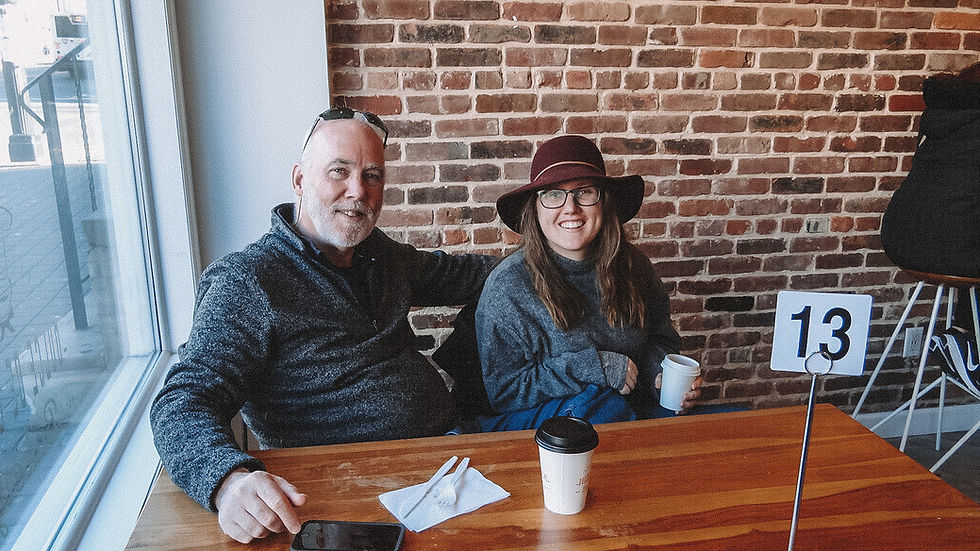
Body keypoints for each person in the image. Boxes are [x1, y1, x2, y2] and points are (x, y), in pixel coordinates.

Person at [150, 108, 497, 544]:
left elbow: (463, 276)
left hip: (448, 465)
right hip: (343, 502)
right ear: (299, 180)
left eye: (373, 175)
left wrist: (547, 258)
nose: (359, 191)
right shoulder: (249, 281)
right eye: (340, 171)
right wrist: (228, 481)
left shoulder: (380, 255)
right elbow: (183, 400)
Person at [471, 135, 701, 431]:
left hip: (624, 413)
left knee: (714, 428)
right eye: (553, 194)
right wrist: (595, 367)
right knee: (602, 405)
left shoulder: (634, 267)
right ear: (536, 208)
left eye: (584, 192)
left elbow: (660, 339)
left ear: (603, 202)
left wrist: (660, 375)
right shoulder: (508, 288)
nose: (570, 208)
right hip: (538, 428)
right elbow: (505, 392)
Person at [880, 62, 980, 393]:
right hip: (951, 248)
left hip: (900, 235)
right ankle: (972, 351)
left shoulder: (939, 112)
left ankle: (963, 340)